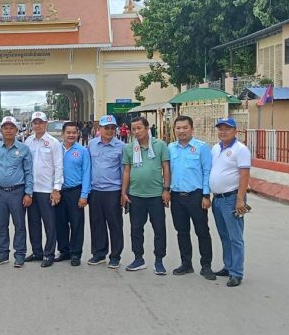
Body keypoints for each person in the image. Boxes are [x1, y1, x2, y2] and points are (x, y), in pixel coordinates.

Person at [121, 116, 170, 275]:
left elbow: (166, 167)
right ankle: (138, 258)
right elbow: (127, 170)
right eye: (133, 129)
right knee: (136, 229)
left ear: (147, 128)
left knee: (159, 229)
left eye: (139, 128)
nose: (136, 131)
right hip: (135, 195)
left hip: (156, 195)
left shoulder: (160, 145)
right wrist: (124, 192)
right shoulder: (129, 148)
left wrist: (166, 189)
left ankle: (159, 260)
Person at [168, 115, 215, 280]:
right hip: (176, 196)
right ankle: (186, 263)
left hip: (196, 195)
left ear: (192, 129)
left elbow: (207, 171)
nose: (181, 131)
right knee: (181, 231)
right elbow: (167, 171)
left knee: (202, 231)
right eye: (178, 128)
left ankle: (206, 266)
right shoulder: (170, 148)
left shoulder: (201, 147)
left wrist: (206, 195)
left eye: (185, 127)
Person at [0, 116, 33, 268]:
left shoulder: (23, 149)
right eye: (5, 128)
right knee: (1, 224)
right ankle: (3, 253)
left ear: (16, 130)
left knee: (19, 225)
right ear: (1, 130)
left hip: (17, 192)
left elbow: (28, 172)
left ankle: (19, 255)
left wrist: (28, 193)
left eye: (11, 128)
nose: (8, 130)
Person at [209, 118, 251, 287]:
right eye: (220, 129)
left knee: (235, 237)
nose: (223, 132)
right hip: (218, 199)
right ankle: (228, 266)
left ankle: (237, 272)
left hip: (232, 199)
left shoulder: (241, 149)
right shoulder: (215, 148)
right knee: (224, 235)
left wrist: (240, 200)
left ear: (235, 131)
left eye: (227, 128)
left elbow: (244, 175)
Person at [24, 111, 63, 268]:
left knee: (49, 224)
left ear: (46, 124)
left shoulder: (53, 142)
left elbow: (59, 166)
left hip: (47, 190)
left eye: (41, 122)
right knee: (33, 223)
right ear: (32, 125)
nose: (38, 125)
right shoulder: (28, 141)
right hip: (31, 189)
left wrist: (56, 189)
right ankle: (37, 252)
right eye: (35, 122)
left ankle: (49, 254)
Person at [87, 115, 126, 268]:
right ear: (100, 129)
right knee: (97, 223)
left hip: (113, 191)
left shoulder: (121, 147)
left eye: (112, 128)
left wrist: (123, 193)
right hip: (95, 190)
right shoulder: (92, 144)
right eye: (106, 128)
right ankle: (99, 253)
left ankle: (115, 256)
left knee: (115, 224)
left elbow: (124, 171)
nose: (109, 131)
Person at [54, 122, 90, 267]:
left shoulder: (82, 151)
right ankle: (64, 251)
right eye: (68, 132)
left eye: (74, 132)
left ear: (78, 134)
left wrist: (84, 195)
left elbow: (87, 173)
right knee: (60, 223)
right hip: (59, 192)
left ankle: (76, 253)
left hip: (75, 191)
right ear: (62, 134)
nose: (71, 135)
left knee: (77, 224)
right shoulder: (56, 149)